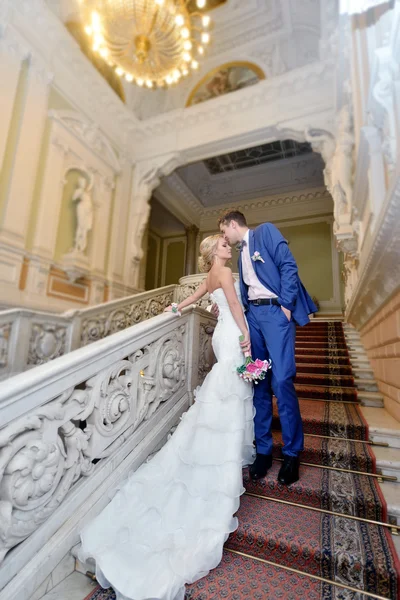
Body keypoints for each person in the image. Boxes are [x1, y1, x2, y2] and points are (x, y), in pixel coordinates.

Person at [79, 234, 255, 600]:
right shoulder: (224, 273)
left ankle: (212, 445)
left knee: (222, 392)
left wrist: (176, 309)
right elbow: (235, 305)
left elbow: (194, 298)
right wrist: (247, 336)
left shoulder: (212, 274)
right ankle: (220, 453)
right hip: (232, 334)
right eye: (223, 244)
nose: (227, 246)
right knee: (230, 391)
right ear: (214, 252)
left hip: (220, 336)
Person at [219, 210, 318, 485]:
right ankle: (263, 451)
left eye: (223, 231)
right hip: (254, 319)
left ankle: (291, 453)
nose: (223, 237)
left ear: (233, 224)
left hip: (276, 314)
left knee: (283, 380)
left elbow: (288, 265)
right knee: (258, 383)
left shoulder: (266, 231)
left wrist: (286, 305)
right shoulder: (239, 255)